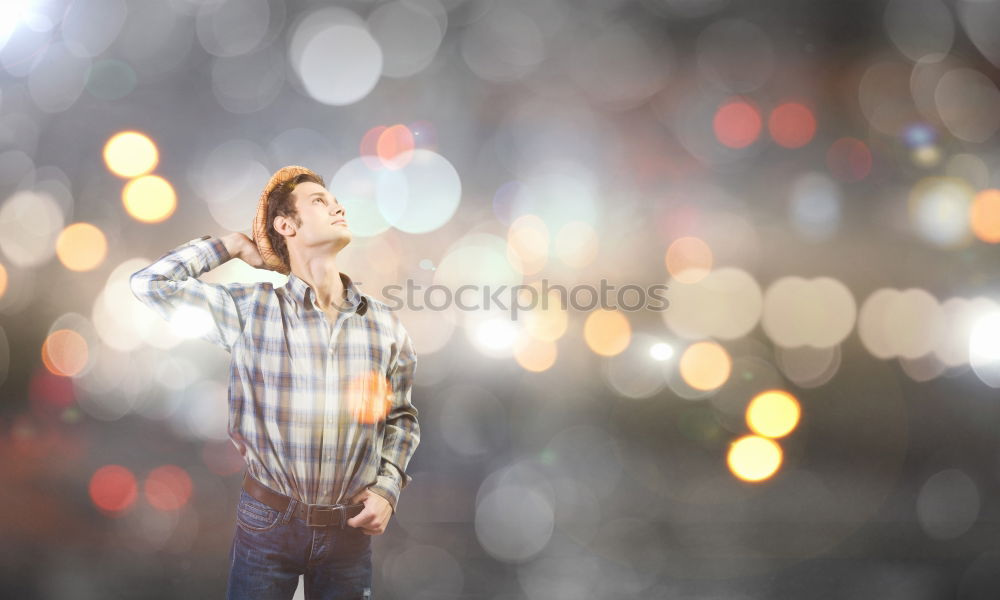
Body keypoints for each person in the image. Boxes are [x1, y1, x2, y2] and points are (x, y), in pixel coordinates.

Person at [129, 165, 420, 599]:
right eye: (319, 201)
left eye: (334, 200)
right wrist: (228, 246)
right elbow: (150, 284)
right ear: (286, 225)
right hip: (268, 520)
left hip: (348, 531)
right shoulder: (250, 310)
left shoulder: (383, 324)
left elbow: (401, 418)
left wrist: (388, 488)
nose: (337, 206)